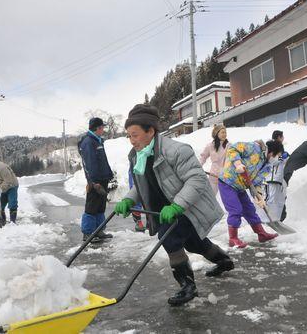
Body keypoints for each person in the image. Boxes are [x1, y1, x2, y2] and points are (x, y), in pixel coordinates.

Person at [114, 104, 234, 306]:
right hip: (164, 210)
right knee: (195, 243)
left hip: (186, 207)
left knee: (170, 240)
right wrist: (129, 199)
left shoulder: (176, 150)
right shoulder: (138, 155)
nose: (131, 140)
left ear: (150, 131)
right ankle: (224, 261)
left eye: (134, 135)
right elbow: (143, 185)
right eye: (129, 136)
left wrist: (177, 205)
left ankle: (188, 286)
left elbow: (196, 180)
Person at [218, 139, 283, 248]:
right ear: (272, 153)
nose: (277, 159)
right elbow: (233, 148)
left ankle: (261, 234)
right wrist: (238, 163)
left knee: (250, 210)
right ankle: (233, 239)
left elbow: (256, 182)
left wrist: (259, 197)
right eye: (278, 156)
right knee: (236, 210)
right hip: (228, 182)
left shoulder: (267, 166)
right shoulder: (254, 148)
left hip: (241, 187)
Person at [78, 117, 114, 242]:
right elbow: (89, 163)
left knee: (100, 206)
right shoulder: (88, 142)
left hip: (103, 178)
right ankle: (87, 233)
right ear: (97, 128)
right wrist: (93, 182)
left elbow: (102, 161)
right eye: (102, 127)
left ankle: (98, 231)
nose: (103, 129)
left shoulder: (98, 141)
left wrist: (109, 174)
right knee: (92, 206)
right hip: (95, 181)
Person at [265, 130, 290, 222]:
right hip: (271, 179)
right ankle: (267, 217)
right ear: (279, 137)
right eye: (282, 136)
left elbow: (284, 161)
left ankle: (277, 218)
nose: (283, 138)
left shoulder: (281, 151)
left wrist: (285, 157)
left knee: (278, 199)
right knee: (270, 199)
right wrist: (281, 157)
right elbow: (273, 161)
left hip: (278, 179)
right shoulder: (271, 149)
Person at [199, 124, 229, 194]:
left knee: (228, 198)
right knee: (211, 196)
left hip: (226, 176)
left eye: (225, 132)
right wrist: (198, 167)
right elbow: (203, 157)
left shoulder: (229, 145)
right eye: (222, 132)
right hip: (214, 176)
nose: (224, 134)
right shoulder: (210, 146)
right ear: (216, 133)